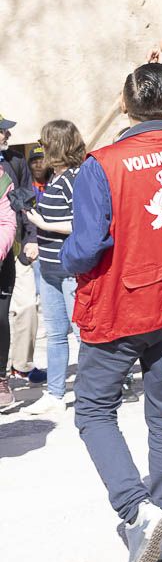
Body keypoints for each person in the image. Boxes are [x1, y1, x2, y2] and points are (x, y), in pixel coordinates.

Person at [62, 44, 162, 562]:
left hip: (121, 305)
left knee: (92, 410)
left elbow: (86, 248)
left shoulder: (101, 165)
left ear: (125, 106)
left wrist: (64, 257)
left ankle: (137, 510)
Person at [23, 120, 86, 415]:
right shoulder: (55, 177)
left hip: (69, 266)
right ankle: (56, 394)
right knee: (56, 334)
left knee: (81, 333)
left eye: (44, 141)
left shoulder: (76, 177)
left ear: (57, 145)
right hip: (47, 266)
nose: (40, 147)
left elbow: (83, 222)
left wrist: (44, 224)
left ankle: (90, 393)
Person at [1, 115, 44, 386]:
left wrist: (32, 238)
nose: (7, 135)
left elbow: (26, 201)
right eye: (2, 131)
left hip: (16, 247)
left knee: (27, 306)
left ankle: (22, 366)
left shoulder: (15, 160)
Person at [0, 172, 18, 407]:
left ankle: (1, 378)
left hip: (2, 264)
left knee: (0, 321)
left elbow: (6, 222)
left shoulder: (3, 180)